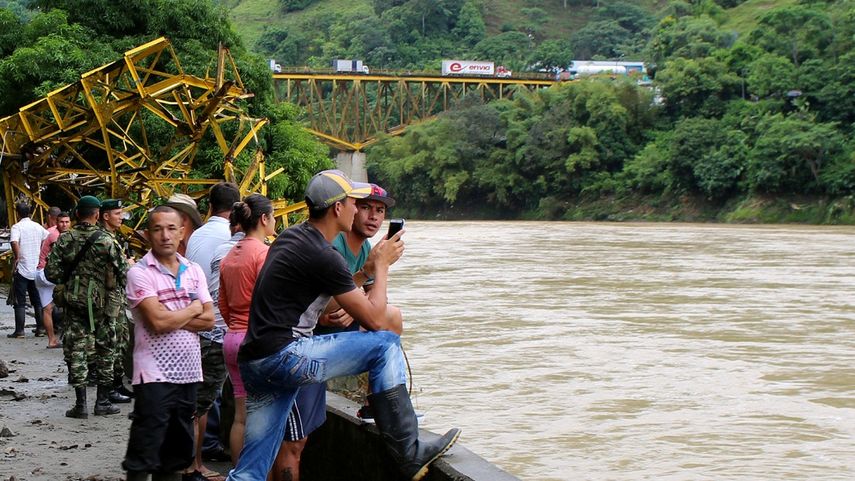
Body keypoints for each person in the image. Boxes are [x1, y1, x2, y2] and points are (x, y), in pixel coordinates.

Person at [226, 170, 460, 481]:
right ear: (338, 208)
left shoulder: (292, 238)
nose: (359, 210)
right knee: (386, 343)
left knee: (250, 470)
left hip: (256, 360)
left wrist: (363, 273)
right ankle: (408, 451)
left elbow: (329, 301)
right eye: (355, 203)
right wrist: (382, 267)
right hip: (286, 356)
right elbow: (375, 319)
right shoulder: (324, 254)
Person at [122, 205, 215, 481]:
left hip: (188, 374)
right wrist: (192, 308)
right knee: (144, 452)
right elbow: (157, 323)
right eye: (158, 229)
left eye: (172, 228)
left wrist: (170, 314)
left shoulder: (194, 270)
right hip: (153, 375)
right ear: (148, 234)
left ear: (182, 232)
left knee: (176, 455)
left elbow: (209, 320)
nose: (165, 235)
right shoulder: (139, 273)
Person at [317, 183, 403, 417]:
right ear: (351, 209)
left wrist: (380, 267)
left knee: (391, 316)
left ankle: (375, 404)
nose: (373, 216)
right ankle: (382, 406)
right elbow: (323, 308)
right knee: (390, 317)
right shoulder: (334, 245)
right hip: (318, 332)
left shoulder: (366, 247)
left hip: (342, 327)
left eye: (380, 211)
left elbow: (375, 301)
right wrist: (368, 271)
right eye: (366, 207)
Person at [44, 196, 128, 418]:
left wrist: (73, 280)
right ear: (97, 214)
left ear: (77, 214)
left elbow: (50, 273)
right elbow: (123, 274)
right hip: (104, 304)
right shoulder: (108, 241)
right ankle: (102, 402)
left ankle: (80, 405)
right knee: (106, 350)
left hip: (74, 303)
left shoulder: (64, 240)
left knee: (77, 351)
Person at [184, 182, 240, 481]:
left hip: (196, 322)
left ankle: (200, 453)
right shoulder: (228, 239)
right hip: (219, 324)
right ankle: (198, 461)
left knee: (204, 395)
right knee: (208, 398)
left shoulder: (197, 234)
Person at [99, 199, 135, 404]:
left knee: (119, 341)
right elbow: (123, 271)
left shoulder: (111, 237)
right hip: (109, 298)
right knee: (113, 343)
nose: (121, 217)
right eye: (117, 213)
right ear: (105, 216)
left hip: (112, 297)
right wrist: (130, 264)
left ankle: (116, 385)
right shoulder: (106, 240)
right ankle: (111, 388)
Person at [8, 201, 49, 338]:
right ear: (30, 213)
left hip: (23, 268)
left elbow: (14, 242)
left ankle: (20, 331)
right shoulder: (37, 226)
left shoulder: (17, 227)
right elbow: (47, 238)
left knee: (19, 300)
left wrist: (17, 257)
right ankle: (41, 329)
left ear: (17, 213)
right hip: (36, 267)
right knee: (37, 299)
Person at [34, 209, 71, 347]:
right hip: (47, 275)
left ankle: (52, 340)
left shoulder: (50, 231)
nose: (64, 225)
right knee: (71, 300)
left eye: (67, 222)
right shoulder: (57, 236)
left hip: (40, 273)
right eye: (61, 222)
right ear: (56, 222)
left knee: (47, 308)